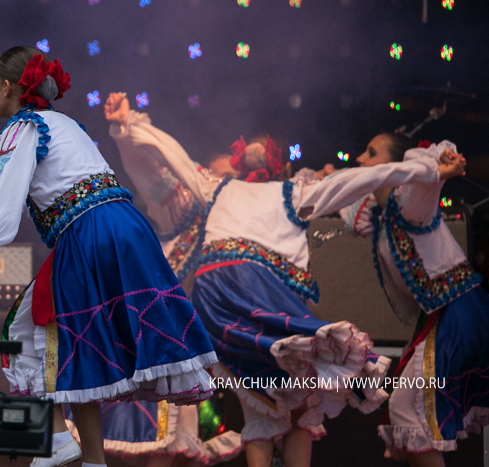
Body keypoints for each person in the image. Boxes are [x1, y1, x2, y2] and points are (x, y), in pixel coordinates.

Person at [99, 93, 454, 467]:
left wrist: (130, 127)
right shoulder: (227, 191)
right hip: (245, 295)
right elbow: (165, 162)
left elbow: (171, 155)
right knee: (297, 396)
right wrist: (130, 129)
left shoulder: (235, 190)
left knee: (272, 407)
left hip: (221, 303)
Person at [0, 47, 218, 467]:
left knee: (27, 330)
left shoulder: (24, 127)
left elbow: (3, 191)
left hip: (87, 234)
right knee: (73, 341)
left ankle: (61, 441)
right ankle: (87, 456)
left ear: (7, 87)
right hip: (127, 229)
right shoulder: (63, 123)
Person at [103, 96, 243, 467]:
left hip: (206, 356)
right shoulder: (184, 213)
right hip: (163, 349)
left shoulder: (242, 228)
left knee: (180, 449)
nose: (222, 185)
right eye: (216, 176)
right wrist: (127, 132)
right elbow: (149, 170)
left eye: (232, 179)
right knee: (159, 445)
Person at [336, 134, 486, 467]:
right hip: (438, 317)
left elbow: (424, 174)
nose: (360, 159)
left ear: (394, 166)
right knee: (405, 413)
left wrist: (439, 163)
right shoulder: (379, 215)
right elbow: (338, 199)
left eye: (371, 153)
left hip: (457, 315)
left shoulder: (412, 204)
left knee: (408, 410)